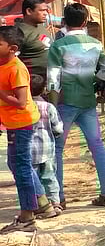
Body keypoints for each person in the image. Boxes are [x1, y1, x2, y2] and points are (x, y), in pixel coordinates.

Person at [48, 2, 105, 205]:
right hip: (88, 100)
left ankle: (58, 198)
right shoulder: (95, 44)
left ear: (64, 22)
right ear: (86, 21)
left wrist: (52, 105)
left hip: (65, 101)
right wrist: (93, 81)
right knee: (97, 145)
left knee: (57, 149)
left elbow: (53, 80)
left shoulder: (58, 46)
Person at [0, 25, 44, 233]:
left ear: (12, 48)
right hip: (12, 122)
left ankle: (27, 215)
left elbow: (20, 101)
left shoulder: (16, 68)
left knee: (21, 166)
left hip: (21, 122)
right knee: (16, 163)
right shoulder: (3, 64)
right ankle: (42, 202)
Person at [28, 74, 62, 216]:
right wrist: (56, 134)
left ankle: (37, 205)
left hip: (29, 150)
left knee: (32, 179)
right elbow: (58, 128)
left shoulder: (25, 107)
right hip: (47, 149)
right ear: (43, 90)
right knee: (49, 177)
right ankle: (55, 203)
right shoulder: (48, 107)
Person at [17, 0, 52, 79]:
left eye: (46, 10)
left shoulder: (41, 27)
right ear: (29, 11)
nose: (45, 13)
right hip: (32, 82)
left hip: (49, 79)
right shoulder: (18, 32)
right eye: (41, 10)